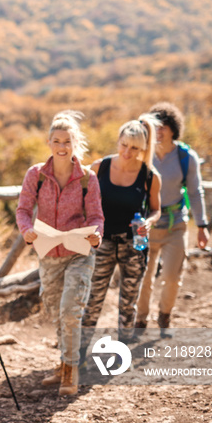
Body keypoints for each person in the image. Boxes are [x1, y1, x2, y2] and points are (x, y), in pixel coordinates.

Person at [16, 111, 104, 396]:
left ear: (75, 142)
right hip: (48, 252)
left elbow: (97, 216)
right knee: (56, 311)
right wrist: (26, 229)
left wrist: (97, 234)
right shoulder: (36, 175)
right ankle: (64, 362)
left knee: (70, 310)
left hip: (79, 252)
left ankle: (71, 371)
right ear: (49, 142)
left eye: (67, 141)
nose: (62, 146)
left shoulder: (88, 178)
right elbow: (23, 210)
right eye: (57, 141)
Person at [81, 115, 162, 346]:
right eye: (124, 145)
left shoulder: (150, 176)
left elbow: (157, 210)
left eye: (135, 148)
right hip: (101, 243)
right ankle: (80, 354)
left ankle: (122, 350)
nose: (128, 152)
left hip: (134, 245)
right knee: (93, 299)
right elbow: (77, 193)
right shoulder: (100, 167)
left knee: (128, 303)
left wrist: (149, 222)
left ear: (143, 148)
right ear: (118, 141)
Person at [136, 102, 209, 337]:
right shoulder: (142, 154)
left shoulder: (186, 157)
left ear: (173, 129)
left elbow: (196, 192)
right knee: (143, 278)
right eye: (154, 126)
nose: (159, 131)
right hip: (146, 227)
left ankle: (164, 315)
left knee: (171, 277)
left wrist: (202, 226)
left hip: (176, 224)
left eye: (163, 127)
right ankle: (140, 320)